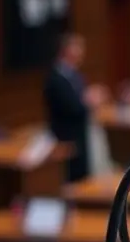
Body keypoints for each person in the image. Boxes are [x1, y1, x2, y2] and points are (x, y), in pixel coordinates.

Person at [44, 34, 106, 183]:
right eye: (78, 47)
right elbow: (71, 106)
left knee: (84, 175)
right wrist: (90, 100)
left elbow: (80, 97)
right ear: (67, 50)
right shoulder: (56, 77)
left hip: (80, 133)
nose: (82, 52)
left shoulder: (75, 74)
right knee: (73, 179)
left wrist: (89, 96)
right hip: (66, 137)